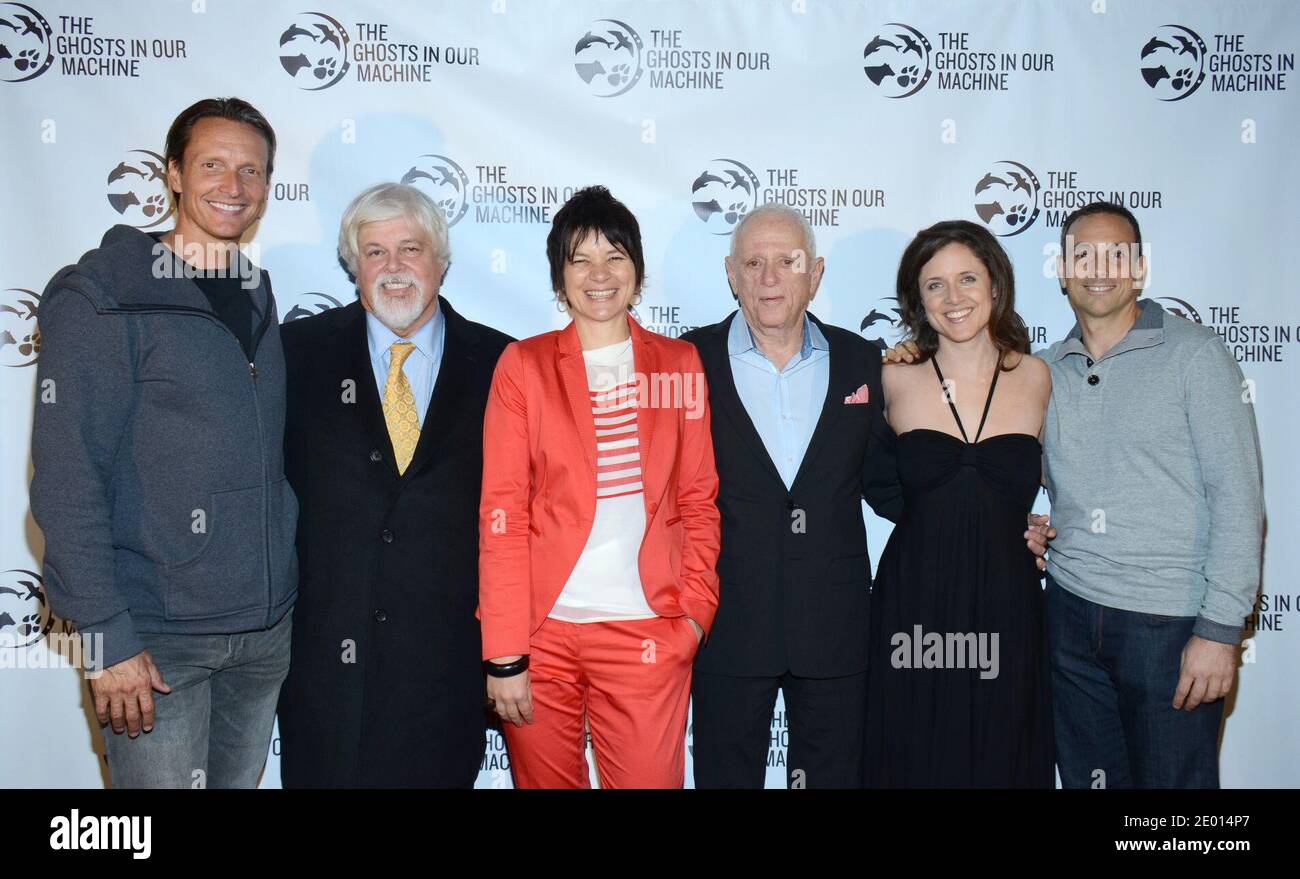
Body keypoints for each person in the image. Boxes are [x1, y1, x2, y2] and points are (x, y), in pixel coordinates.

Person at [30, 97, 296, 788]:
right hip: (154, 639)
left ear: (268, 185)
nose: (232, 187)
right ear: (173, 173)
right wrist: (105, 637)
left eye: (250, 170)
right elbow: (65, 478)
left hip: (263, 633)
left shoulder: (256, 290)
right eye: (212, 165)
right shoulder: (103, 295)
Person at [478, 185, 720, 788]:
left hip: (648, 632)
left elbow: (698, 500)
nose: (599, 274)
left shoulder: (678, 364)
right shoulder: (524, 367)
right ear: (560, 279)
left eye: (615, 256)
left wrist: (692, 617)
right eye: (579, 259)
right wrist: (505, 650)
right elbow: (501, 511)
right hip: (543, 636)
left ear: (637, 272)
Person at [276, 183, 512, 787]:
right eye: (374, 252)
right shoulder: (294, 356)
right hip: (323, 674)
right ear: (354, 266)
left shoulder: (502, 365)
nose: (394, 267)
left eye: (410, 247)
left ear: (441, 258)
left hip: (448, 674)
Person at [1043, 202, 1263, 788]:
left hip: (1168, 627)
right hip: (1067, 617)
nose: (1099, 268)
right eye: (1082, 254)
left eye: (1116, 254)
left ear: (1139, 270)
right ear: (1062, 271)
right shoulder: (1045, 372)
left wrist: (1219, 633)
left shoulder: (1197, 357)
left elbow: (1239, 502)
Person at [681, 203, 901, 789]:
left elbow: (890, 486)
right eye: (753, 262)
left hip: (835, 627)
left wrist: (990, 520)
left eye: (787, 261)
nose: (769, 277)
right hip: (725, 625)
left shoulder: (864, 362)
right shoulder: (687, 361)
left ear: (817, 272)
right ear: (731, 274)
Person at [864, 220, 1054, 788]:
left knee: (1003, 751)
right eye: (935, 285)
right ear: (917, 300)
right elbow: (876, 486)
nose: (954, 298)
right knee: (915, 752)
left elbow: (1083, 480)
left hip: (1009, 602)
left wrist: (1050, 529)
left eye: (967, 278)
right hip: (914, 601)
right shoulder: (892, 379)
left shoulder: (1041, 377)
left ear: (995, 285)